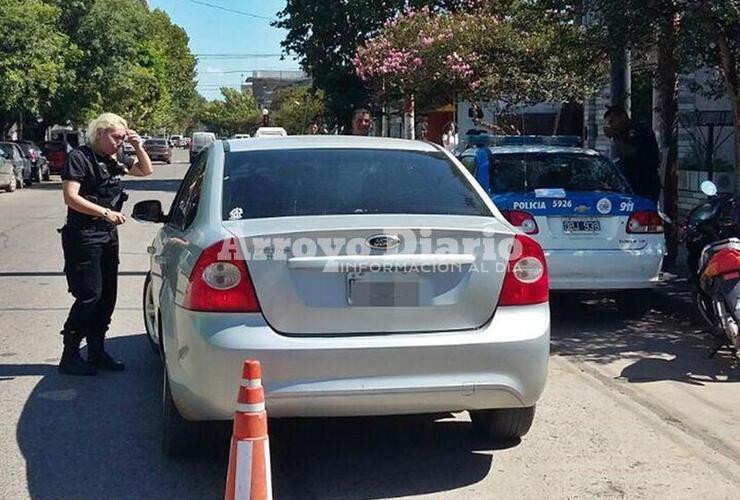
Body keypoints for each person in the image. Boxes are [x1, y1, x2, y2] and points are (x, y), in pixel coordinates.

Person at [58, 113, 153, 375]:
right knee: (90, 295)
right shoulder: (80, 157)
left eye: (123, 137)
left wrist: (137, 145)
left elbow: (145, 170)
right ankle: (70, 354)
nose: (119, 142)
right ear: (99, 133)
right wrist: (104, 212)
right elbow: (70, 197)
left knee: (107, 296)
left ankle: (97, 351)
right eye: (116, 137)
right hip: (84, 236)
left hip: (108, 236)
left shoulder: (115, 158)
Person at [603, 105, 661, 204]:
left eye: (613, 122)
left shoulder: (638, 129)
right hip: (629, 182)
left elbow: (630, 151)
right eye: (609, 123)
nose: (612, 126)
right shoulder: (623, 133)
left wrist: (615, 136)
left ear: (622, 117)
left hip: (644, 183)